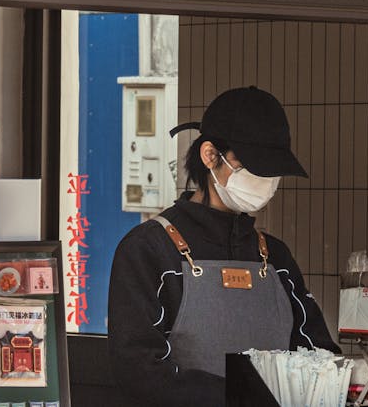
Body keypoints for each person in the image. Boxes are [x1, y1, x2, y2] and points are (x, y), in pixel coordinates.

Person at [108, 86, 338, 407]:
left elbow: (318, 353)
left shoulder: (275, 257)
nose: (266, 180)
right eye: (255, 166)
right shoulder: (149, 250)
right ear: (210, 155)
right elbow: (139, 371)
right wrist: (241, 397)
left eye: (273, 172)